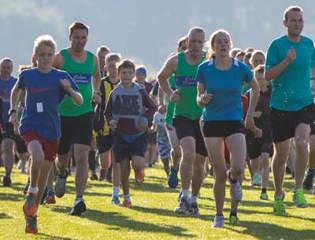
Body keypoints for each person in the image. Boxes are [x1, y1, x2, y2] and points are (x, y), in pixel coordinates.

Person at [9, 34, 82, 234]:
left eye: (49, 55)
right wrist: (13, 111)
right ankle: (31, 191)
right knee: (37, 156)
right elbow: (16, 91)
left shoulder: (61, 76)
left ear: (53, 56)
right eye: (41, 55)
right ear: (35, 56)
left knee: (45, 174)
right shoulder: (28, 75)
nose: (45, 58)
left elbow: (80, 101)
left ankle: (32, 214)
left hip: (52, 130)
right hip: (31, 125)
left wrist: (70, 90)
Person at [196, 29, 260, 227]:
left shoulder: (241, 68)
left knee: (238, 168)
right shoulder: (204, 68)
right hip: (212, 122)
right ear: (213, 46)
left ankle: (235, 183)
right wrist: (203, 99)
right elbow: (198, 99)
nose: (223, 45)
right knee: (220, 173)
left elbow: (256, 88)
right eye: (219, 42)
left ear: (230, 45)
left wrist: (249, 115)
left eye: (226, 41)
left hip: (234, 121)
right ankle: (219, 215)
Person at [265, 6, 315, 215]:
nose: (297, 24)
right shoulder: (277, 46)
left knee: (303, 143)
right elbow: (268, 75)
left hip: (304, 103)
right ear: (285, 23)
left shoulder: (309, 44)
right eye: (293, 21)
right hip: (280, 105)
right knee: (281, 155)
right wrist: (287, 61)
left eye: (300, 20)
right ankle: (278, 194)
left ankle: (297, 189)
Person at [158, 27, 207, 217]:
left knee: (200, 161)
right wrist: (171, 94)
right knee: (188, 153)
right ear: (187, 41)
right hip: (183, 115)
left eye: (199, 42)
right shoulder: (177, 60)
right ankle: (184, 196)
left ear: (203, 44)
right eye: (192, 41)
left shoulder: (208, 61)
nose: (195, 45)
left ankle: (194, 199)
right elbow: (162, 77)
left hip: (204, 117)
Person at [54, 22, 101, 216]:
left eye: (83, 38)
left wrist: (97, 91)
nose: (80, 41)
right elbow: (48, 76)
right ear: (70, 37)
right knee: (62, 156)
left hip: (84, 112)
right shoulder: (60, 58)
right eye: (76, 37)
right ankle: (62, 172)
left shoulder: (93, 58)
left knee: (82, 155)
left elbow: (97, 76)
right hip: (62, 113)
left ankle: (79, 198)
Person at [105, 59, 156, 208]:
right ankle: (126, 197)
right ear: (119, 74)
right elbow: (107, 113)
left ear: (134, 74)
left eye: (129, 73)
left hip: (137, 134)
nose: (127, 75)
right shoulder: (115, 93)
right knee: (123, 167)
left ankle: (140, 171)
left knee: (138, 164)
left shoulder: (139, 90)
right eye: (123, 73)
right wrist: (111, 121)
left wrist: (145, 119)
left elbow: (152, 107)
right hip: (120, 134)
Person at [246, 65, 273, 200]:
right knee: (254, 158)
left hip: (268, 129)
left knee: (265, 157)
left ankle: (264, 189)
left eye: (262, 80)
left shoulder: (272, 93)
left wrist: (261, 113)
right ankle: (255, 174)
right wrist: (251, 115)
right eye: (257, 80)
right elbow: (243, 111)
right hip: (252, 129)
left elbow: (275, 109)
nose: (260, 82)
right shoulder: (249, 93)